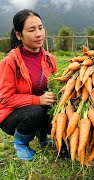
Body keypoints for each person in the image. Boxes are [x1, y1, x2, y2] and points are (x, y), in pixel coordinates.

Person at [0, 9, 58, 161]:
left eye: (40, 28)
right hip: (12, 115)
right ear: (19, 35)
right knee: (35, 111)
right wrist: (37, 100)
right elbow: (5, 99)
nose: (38, 34)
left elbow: (54, 86)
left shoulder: (50, 59)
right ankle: (21, 143)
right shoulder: (10, 62)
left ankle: (43, 137)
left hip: (38, 108)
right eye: (32, 30)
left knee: (60, 111)